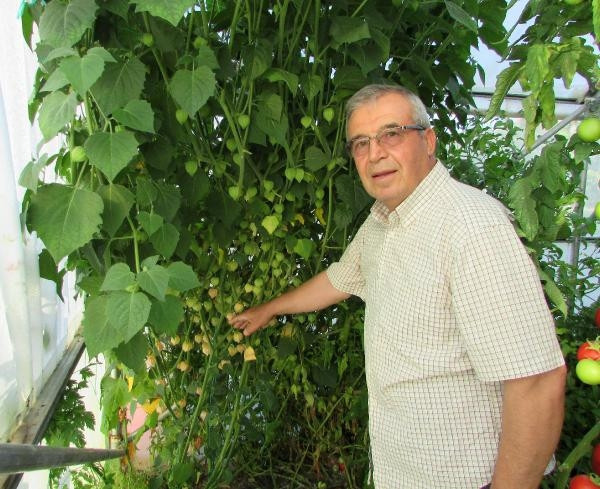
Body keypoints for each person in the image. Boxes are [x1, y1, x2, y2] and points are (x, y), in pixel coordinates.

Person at [228, 84, 566, 489]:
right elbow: (340, 278)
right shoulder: (382, 221)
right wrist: (270, 309)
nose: (375, 154)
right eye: (360, 143)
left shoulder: (471, 228)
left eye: (391, 134)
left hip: (465, 479)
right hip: (405, 473)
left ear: (428, 141)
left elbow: (536, 382)